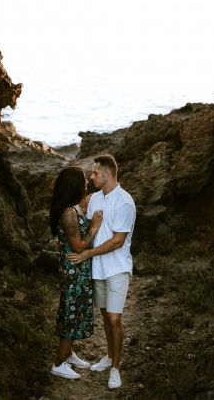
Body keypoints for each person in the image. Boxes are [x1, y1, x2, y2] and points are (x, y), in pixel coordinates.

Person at [67, 154, 136, 390]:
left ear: (107, 174)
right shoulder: (94, 199)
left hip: (117, 268)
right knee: (106, 316)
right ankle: (108, 356)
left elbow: (118, 241)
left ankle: (116, 368)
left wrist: (87, 254)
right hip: (98, 269)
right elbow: (88, 228)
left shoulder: (124, 202)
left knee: (115, 318)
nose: (92, 176)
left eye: (95, 172)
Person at [49, 166, 103, 380]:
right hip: (74, 269)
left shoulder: (73, 208)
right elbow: (79, 246)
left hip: (76, 268)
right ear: (74, 185)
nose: (86, 183)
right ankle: (59, 362)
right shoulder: (69, 213)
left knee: (73, 308)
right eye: (83, 180)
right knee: (72, 312)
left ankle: (68, 353)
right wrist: (94, 227)